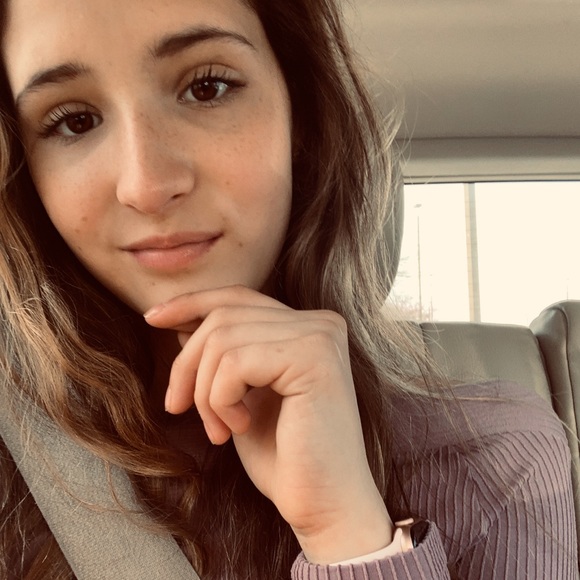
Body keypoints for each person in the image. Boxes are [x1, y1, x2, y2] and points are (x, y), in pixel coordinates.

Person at [0, 0, 576, 578]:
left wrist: (348, 532)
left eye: (206, 88)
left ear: (301, 114)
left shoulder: (498, 459)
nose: (146, 186)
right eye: (74, 121)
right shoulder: (15, 458)